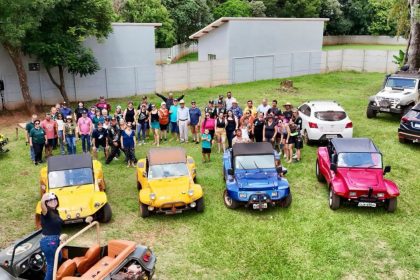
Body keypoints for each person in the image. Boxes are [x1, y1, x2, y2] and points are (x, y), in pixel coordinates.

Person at [39, 193, 63, 280]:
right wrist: (42, 200)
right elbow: (43, 208)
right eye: (50, 200)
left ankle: (53, 277)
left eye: (54, 199)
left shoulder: (55, 212)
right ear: (46, 203)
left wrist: (60, 238)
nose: (53, 201)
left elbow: (57, 227)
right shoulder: (46, 212)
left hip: (56, 239)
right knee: (51, 266)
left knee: (58, 259)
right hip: (49, 242)